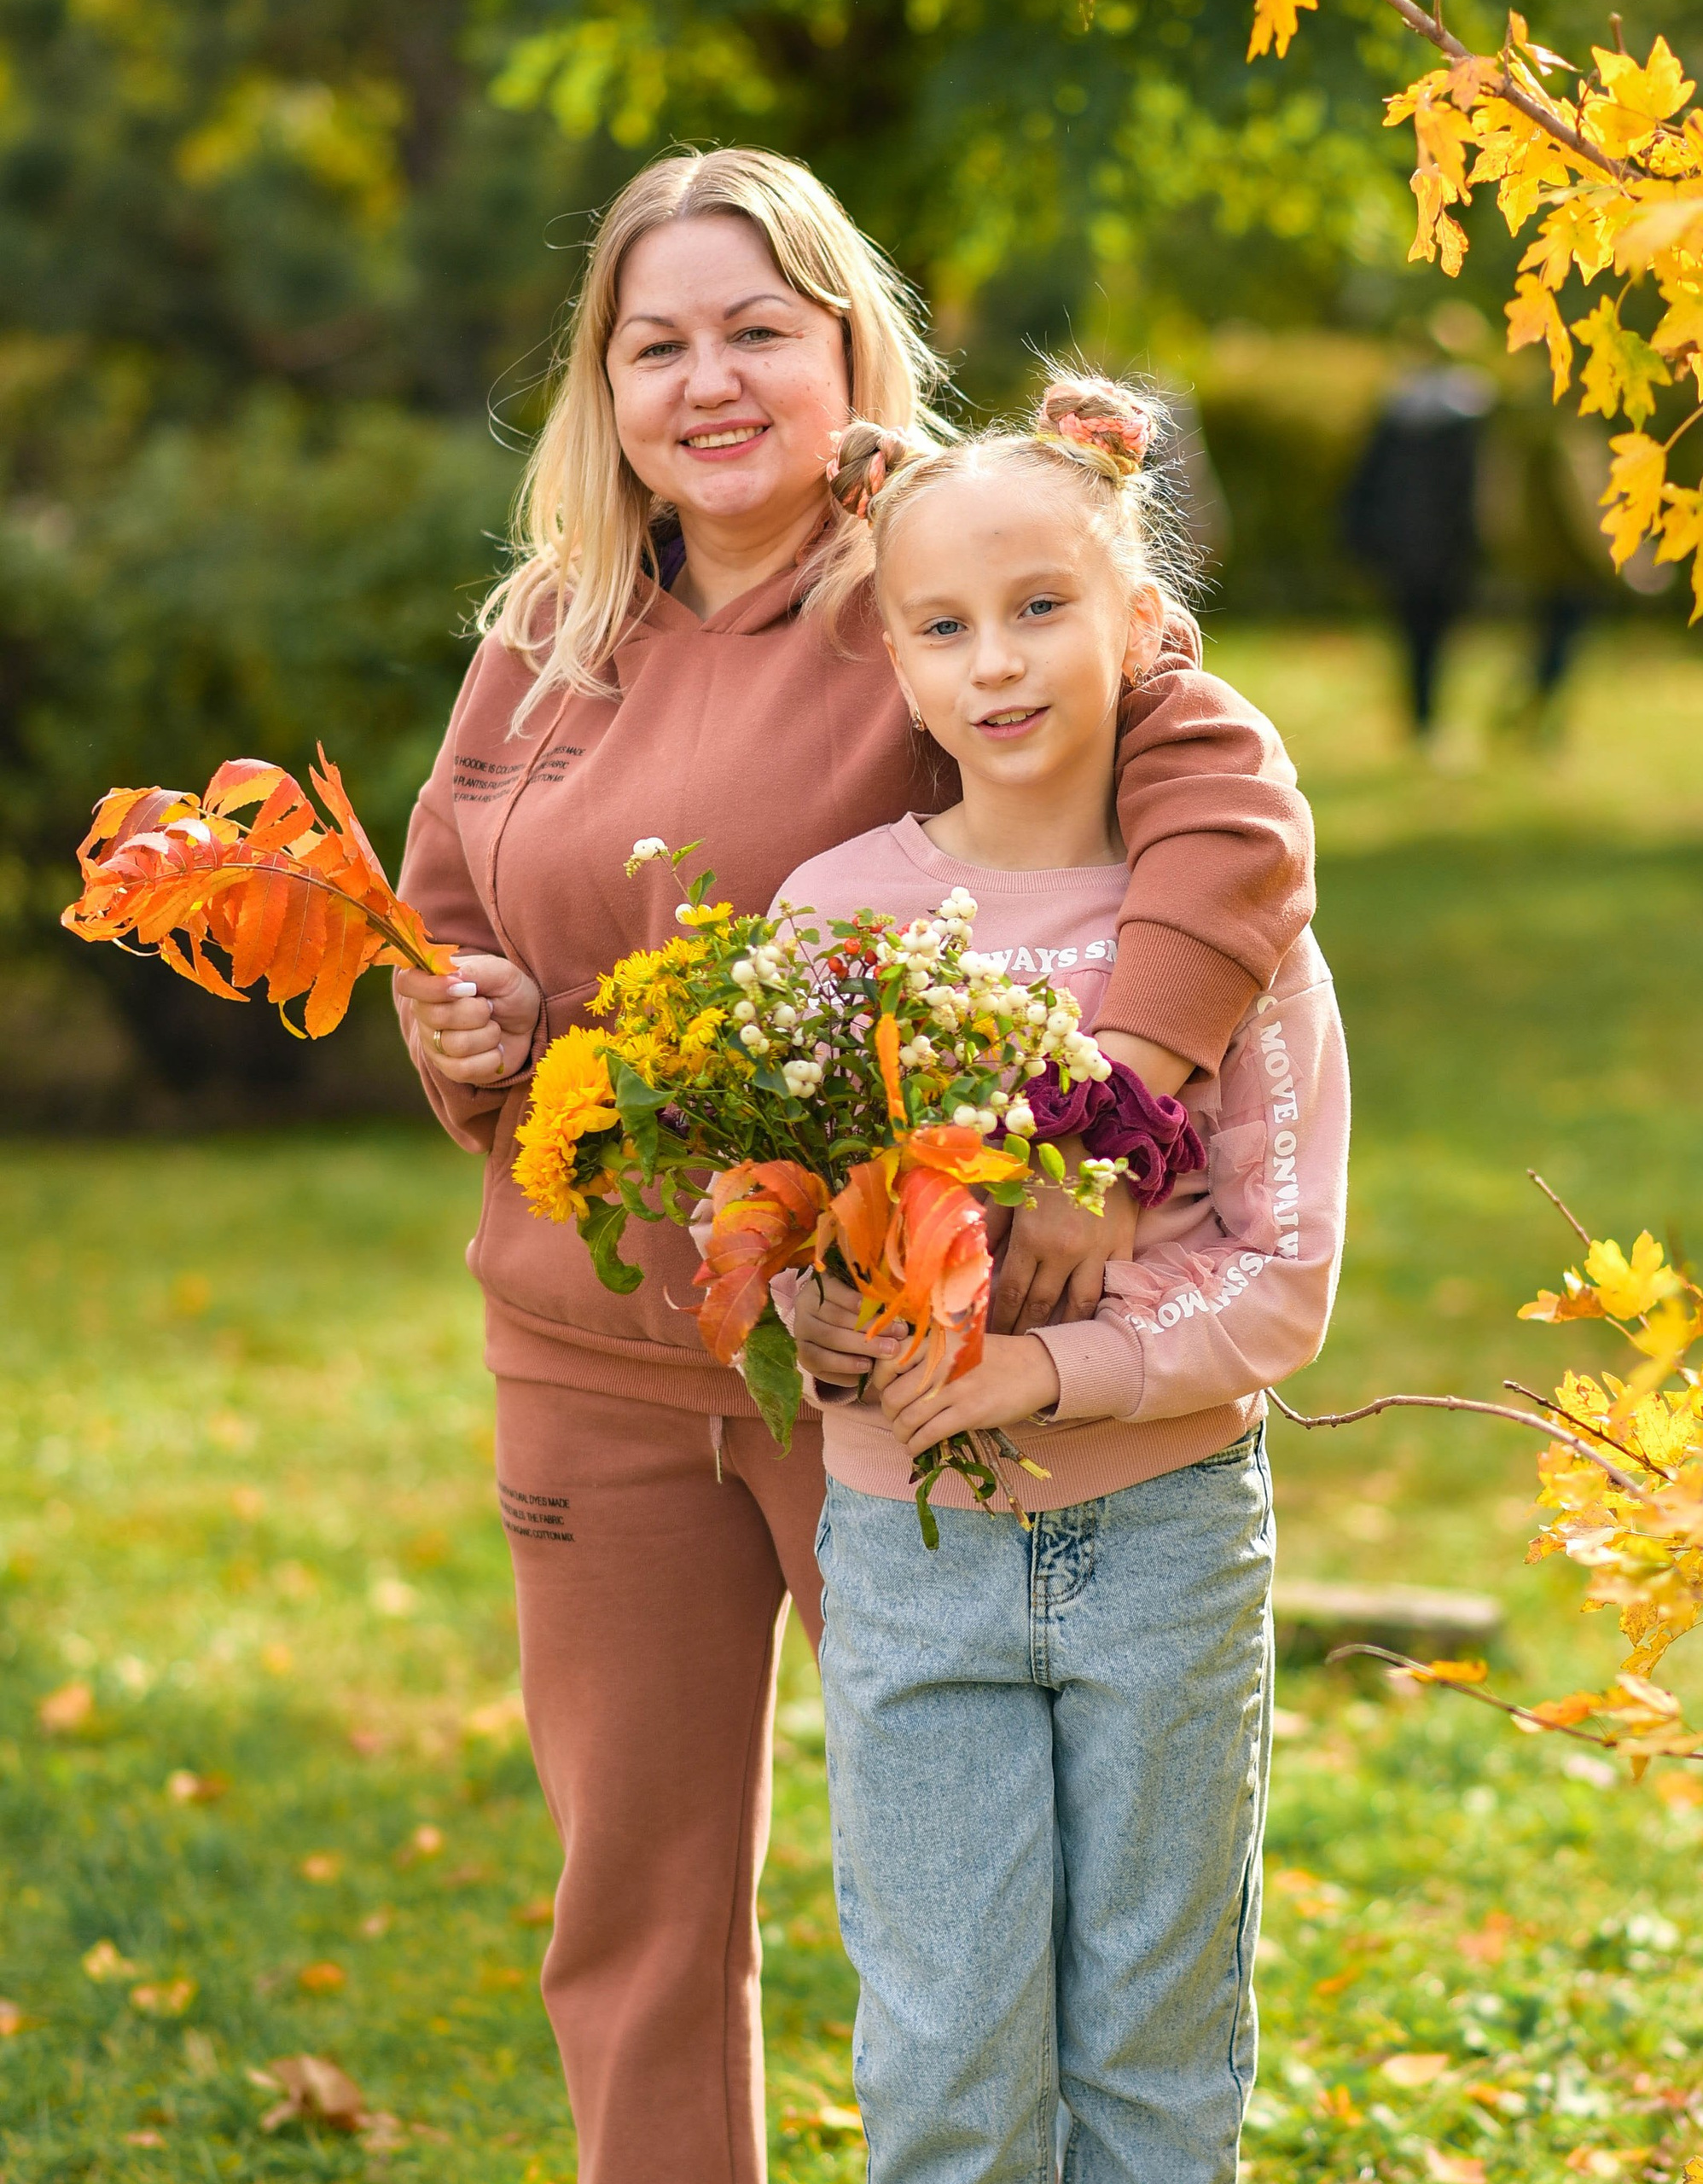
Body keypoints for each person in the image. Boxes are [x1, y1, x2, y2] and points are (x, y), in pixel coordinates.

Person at [387, 150, 1314, 2184]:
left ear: (843, 348)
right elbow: (445, 915)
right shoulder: (543, 632)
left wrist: (1115, 1118)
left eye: (754, 331)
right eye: (655, 345)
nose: (706, 381)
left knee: (977, 1925)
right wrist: (457, 1028)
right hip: (586, 1358)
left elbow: (1229, 809)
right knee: (631, 1905)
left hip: (887, 1366)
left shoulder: (940, 577)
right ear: (602, 386)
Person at [782, 378, 1348, 2184]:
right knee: (945, 2063)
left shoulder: (1222, 935)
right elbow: (784, 1223)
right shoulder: (832, 920)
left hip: (1166, 1541)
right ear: (893, 660)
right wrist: (820, 1312)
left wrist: (1046, 1371)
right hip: (911, 1550)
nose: (998, 662)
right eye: (944, 626)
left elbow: (1282, 1280)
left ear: (1136, 621)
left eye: (1041, 606)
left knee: (1154, 2060)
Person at [1343, 360, 1495, 735]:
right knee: (1436, 639)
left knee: (1415, 638)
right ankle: (1426, 717)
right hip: (1447, 552)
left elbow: (1364, 488)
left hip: (1403, 550)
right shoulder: (1469, 426)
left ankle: (1421, 715)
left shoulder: (1395, 420)